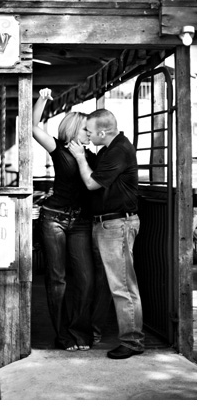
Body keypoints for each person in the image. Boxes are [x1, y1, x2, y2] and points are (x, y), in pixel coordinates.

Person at [67, 108, 144, 359]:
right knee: (115, 284)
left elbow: (91, 183)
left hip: (117, 225)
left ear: (102, 131)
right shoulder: (109, 150)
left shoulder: (119, 150)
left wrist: (79, 158)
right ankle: (116, 335)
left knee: (122, 285)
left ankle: (132, 341)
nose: (88, 134)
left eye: (89, 130)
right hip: (107, 224)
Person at [31, 88, 95, 351]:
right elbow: (31, 126)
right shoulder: (58, 148)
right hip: (53, 219)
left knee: (85, 279)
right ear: (73, 130)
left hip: (80, 222)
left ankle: (80, 332)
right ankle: (63, 336)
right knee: (57, 280)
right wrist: (43, 99)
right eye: (86, 130)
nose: (90, 135)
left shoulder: (92, 157)